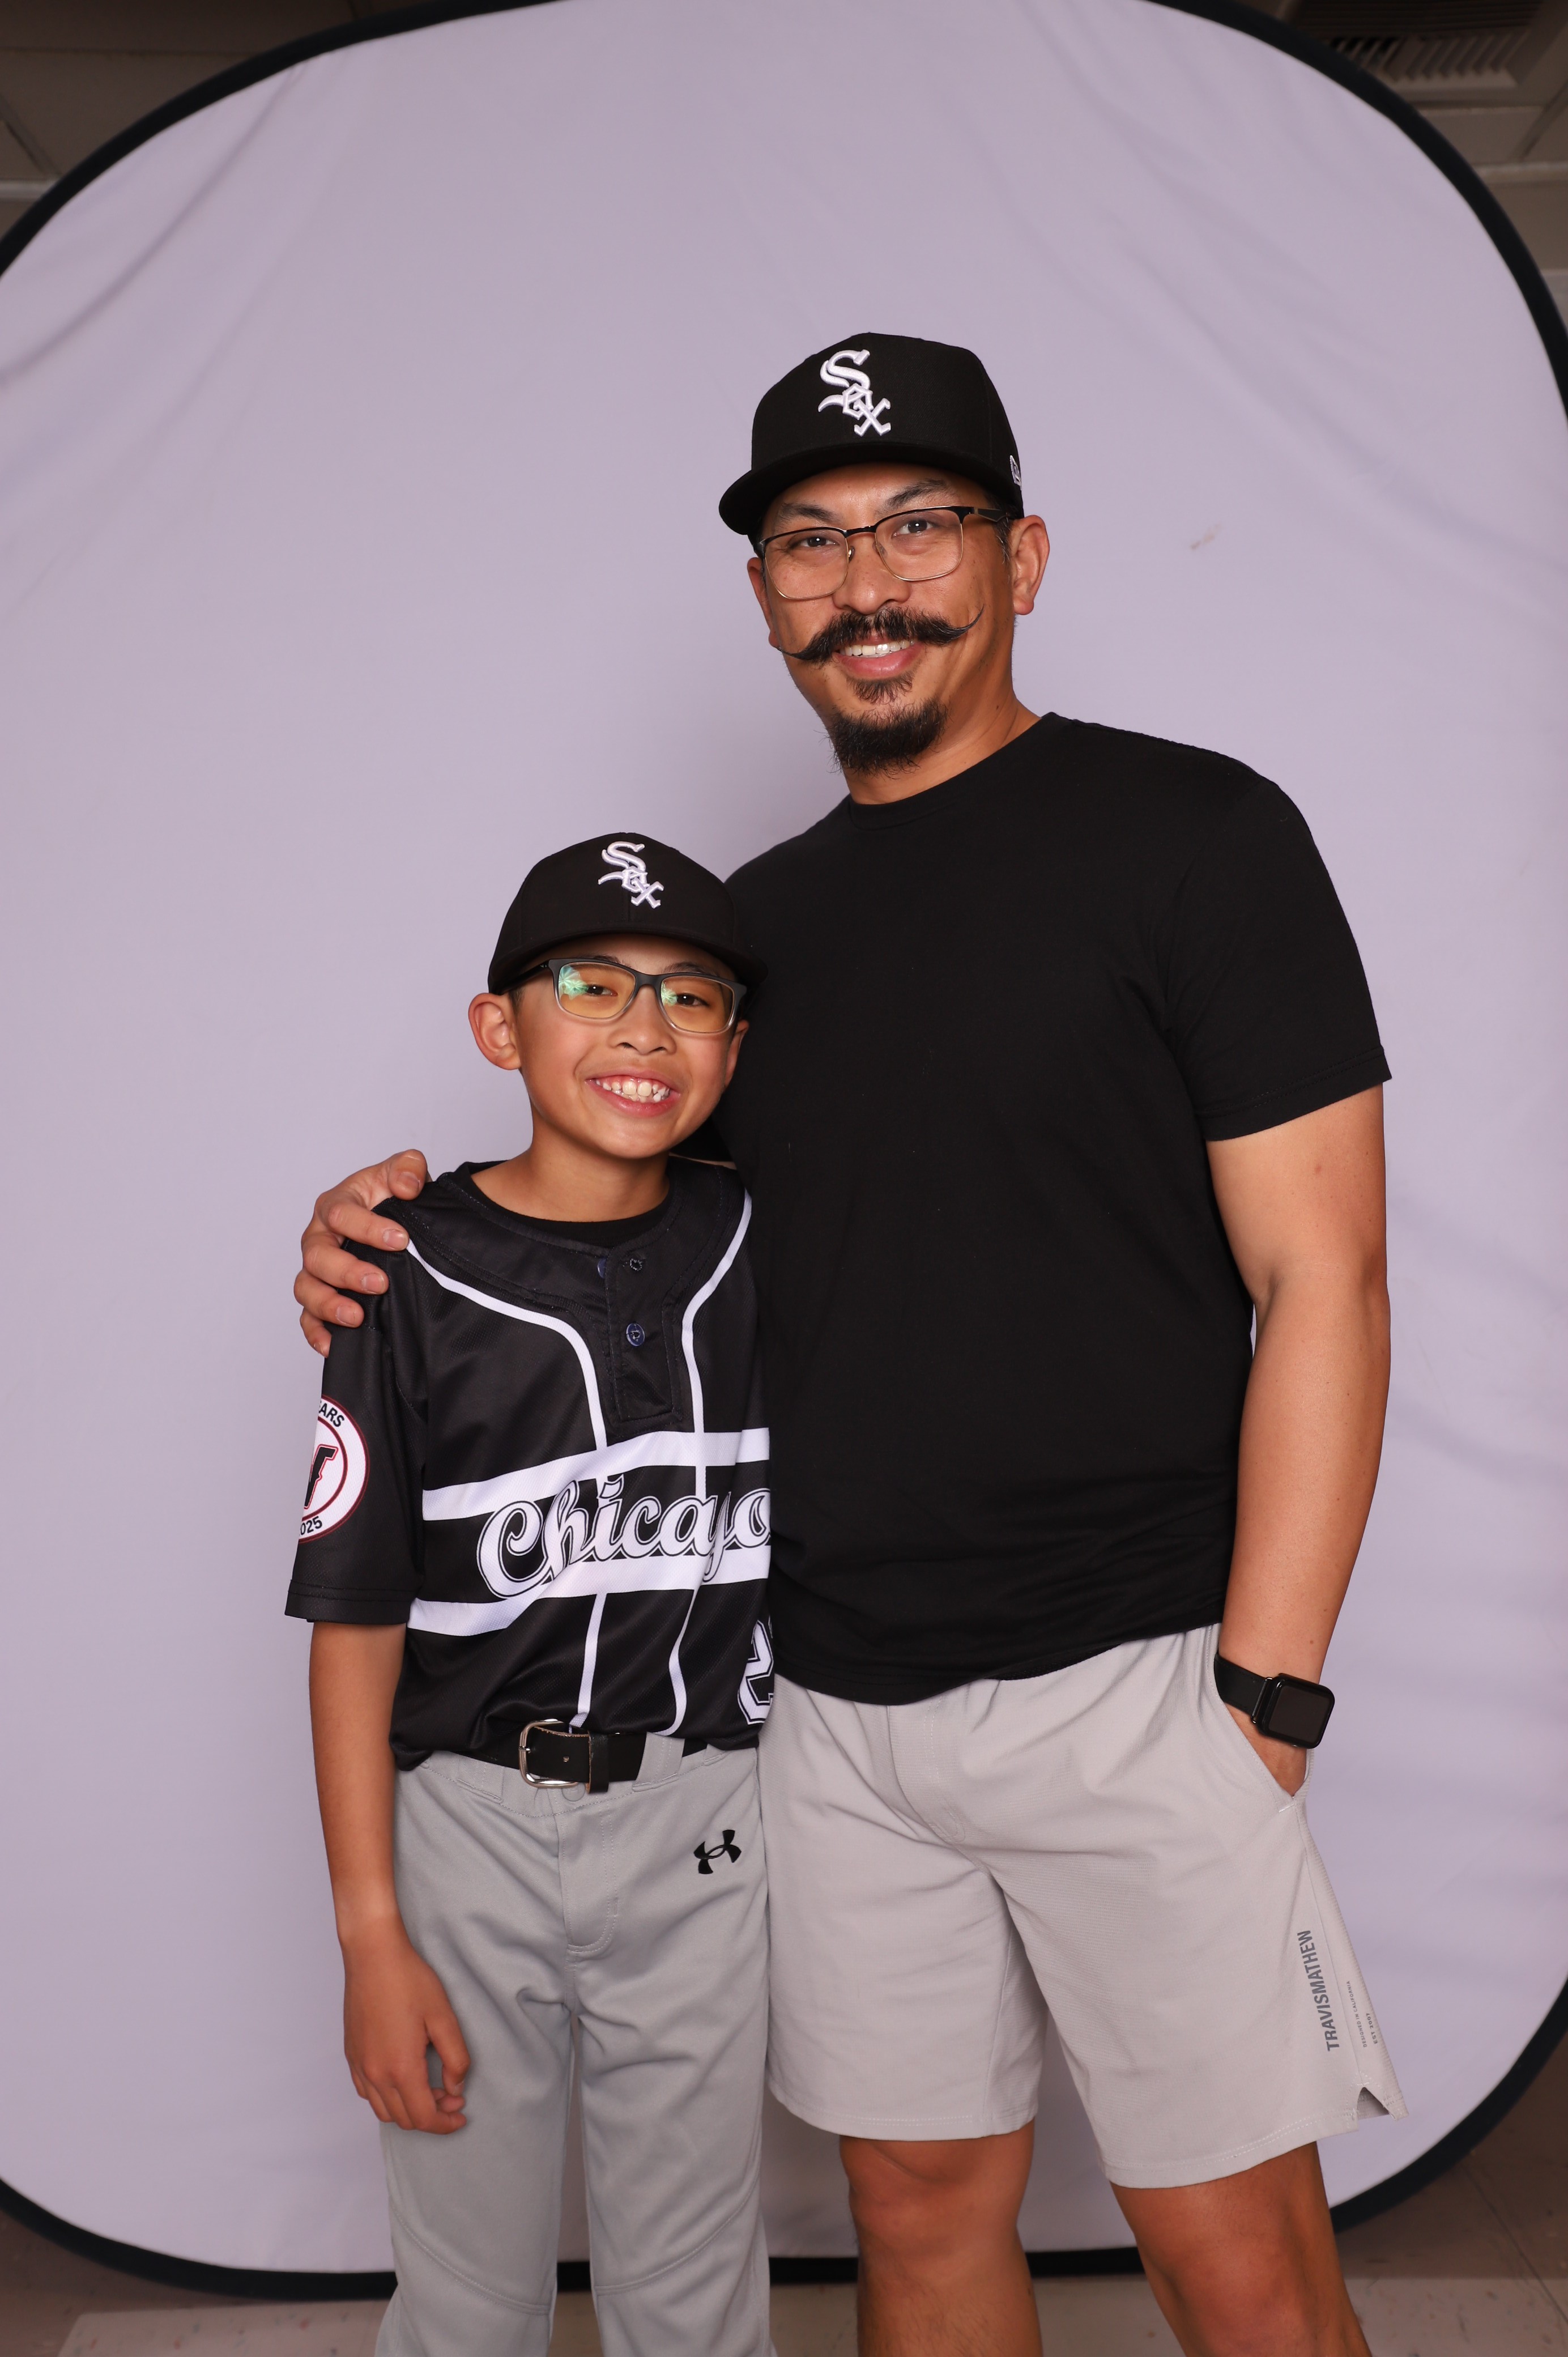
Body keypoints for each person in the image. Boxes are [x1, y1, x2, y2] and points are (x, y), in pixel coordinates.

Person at [295, 335, 1404, 2357]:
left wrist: (1267, 1696)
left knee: (1235, 2251)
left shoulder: (1199, 835)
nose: (866, 582)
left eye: (920, 525)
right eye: (812, 541)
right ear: (764, 596)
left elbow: (1327, 1276)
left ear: (1021, 557)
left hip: (1136, 1673)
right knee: (915, 2212)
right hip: (824, 1709)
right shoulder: (753, 946)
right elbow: (614, 1204)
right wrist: (388, 1232)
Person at [289, 833, 775, 2357]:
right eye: (592, 984)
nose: (645, 1028)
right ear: (499, 1028)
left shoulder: (772, 1233)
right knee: (470, 2303)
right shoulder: (400, 1267)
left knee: (694, 2299)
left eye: (691, 996)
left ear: (736, 1045)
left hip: (708, 1815)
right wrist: (370, 1934)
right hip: (468, 1827)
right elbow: (356, 1623)